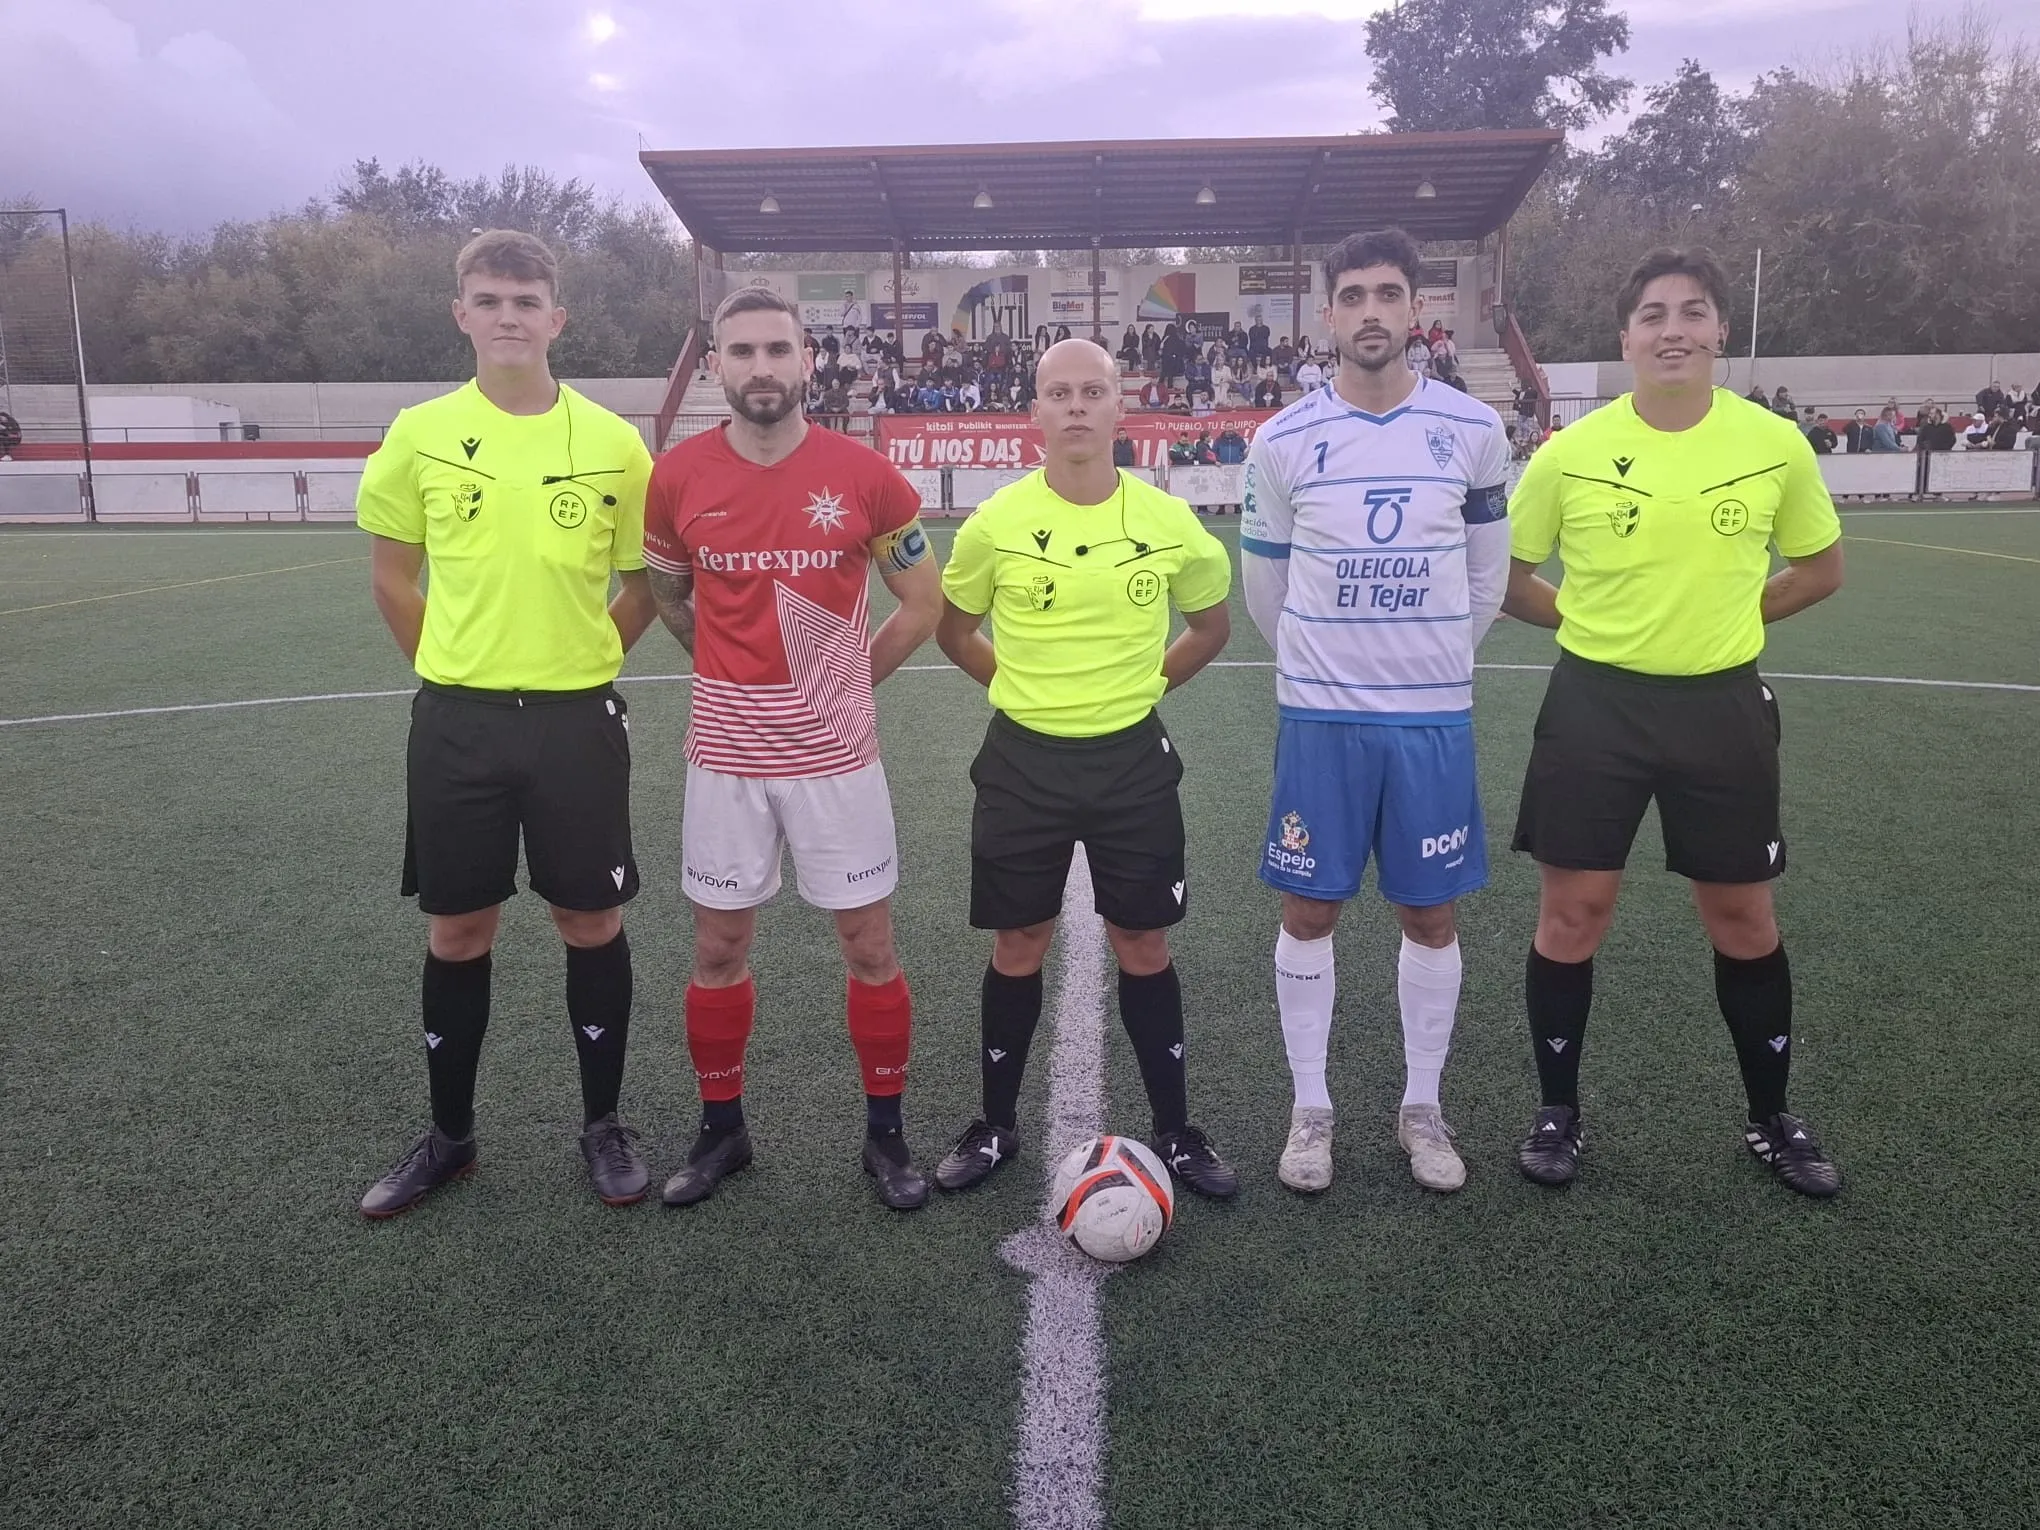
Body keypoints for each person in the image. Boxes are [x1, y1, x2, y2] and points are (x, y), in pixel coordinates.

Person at [1501, 246, 1846, 1199]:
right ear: (1626, 336)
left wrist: (1733, 622)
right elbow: (1507, 576)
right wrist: (1586, 620)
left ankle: (1771, 1118)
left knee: (1741, 916)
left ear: (1720, 330)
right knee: (1574, 914)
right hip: (1594, 708)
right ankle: (1558, 1112)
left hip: (1722, 709)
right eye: (1653, 314)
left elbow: (1820, 569)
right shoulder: (1569, 452)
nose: (1673, 330)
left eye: (1692, 313)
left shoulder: (1774, 445)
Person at [354, 230, 658, 1217]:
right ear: (462, 314)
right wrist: (456, 669)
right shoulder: (420, 433)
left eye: (527, 301)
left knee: (591, 920)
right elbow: (394, 576)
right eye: (490, 299)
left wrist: (586, 659)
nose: (510, 316)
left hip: (576, 722)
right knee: (457, 929)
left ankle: (603, 1128)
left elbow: (644, 583)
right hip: (459, 723)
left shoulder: (612, 443)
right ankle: (450, 1139)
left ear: (556, 318)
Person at [640, 286, 944, 1211]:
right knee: (719, 944)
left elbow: (922, 605)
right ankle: (721, 1131)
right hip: (725, 759)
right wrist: (731, 679)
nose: (762, 367)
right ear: (718, 367)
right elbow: (669, 596)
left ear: (810, 359)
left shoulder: (868, 476)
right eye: (743, 352)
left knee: (869, 943)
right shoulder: (676, 476)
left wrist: (841, 688)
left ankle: (886, 1139)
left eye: (779, 349)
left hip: (836, 758)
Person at [930, 339, 1239, 1199]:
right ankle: (995, 1126)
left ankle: (1175, 1132)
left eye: (1091, 392)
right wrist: (1022, 689)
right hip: (1022, 762)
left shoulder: (1169, 522)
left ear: (1118, 408)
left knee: (1142, 940)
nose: (1074, 407)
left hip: (1131, 760)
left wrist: (1144, 686)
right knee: (1019, 940)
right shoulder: (993, 524)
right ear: (1033, 412)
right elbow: (956, 632)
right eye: (1058, 393)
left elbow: (1212, 628)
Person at [1240, 228, 1511, 1196]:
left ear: (1413, 311)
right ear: (1326, 315)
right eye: (1351, 295)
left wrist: (1430, 661)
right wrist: (1327, 670)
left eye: (1386, 294)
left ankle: (1421, 1107)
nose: (1369, 312)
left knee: (1429, 914)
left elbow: (1486, 582)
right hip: (1322, 717)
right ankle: (1311, 1109)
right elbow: (1264, 590)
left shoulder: (1473, 430)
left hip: (1431, 717)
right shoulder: (1282, 441)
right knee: (1309, 908)